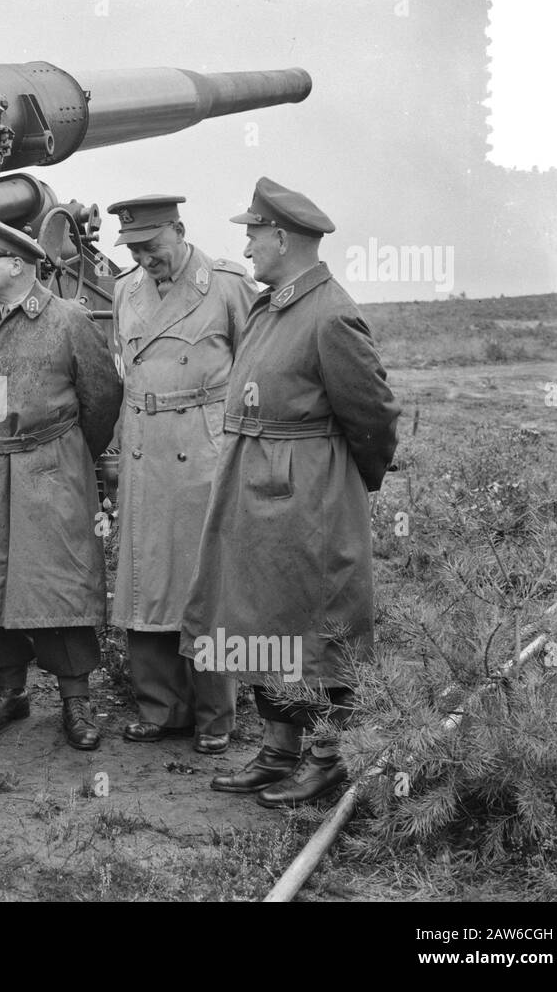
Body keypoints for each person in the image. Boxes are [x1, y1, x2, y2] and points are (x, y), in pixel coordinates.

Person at [180, 177, 400, 806]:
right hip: (254, 488)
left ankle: (329, 759)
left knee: (321, 629)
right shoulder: (271, 303)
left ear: (281, 236)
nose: (246, 246)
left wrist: (344, 487)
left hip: (310, 497)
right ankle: (279, 751)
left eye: (253, 233)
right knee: (256, 619)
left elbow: (374, 414)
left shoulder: (330, 313)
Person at [0, 216, 122, 751]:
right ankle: (10, 691)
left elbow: (103, 399)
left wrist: (65, 457)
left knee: (58, 586)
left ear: (17, 265)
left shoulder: (69, 320)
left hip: (50, 470)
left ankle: (76, 700)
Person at [106, 194, 255, 755]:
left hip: (203, 448)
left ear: (181, 230)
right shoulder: (125, 290)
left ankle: (216, 713)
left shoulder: (227, 285)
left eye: (153, 245)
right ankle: (159, 706)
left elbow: (254, 367)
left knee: (203, 582)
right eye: (134, 248)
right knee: (145, 579)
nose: (145, 257)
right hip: (145, 448)